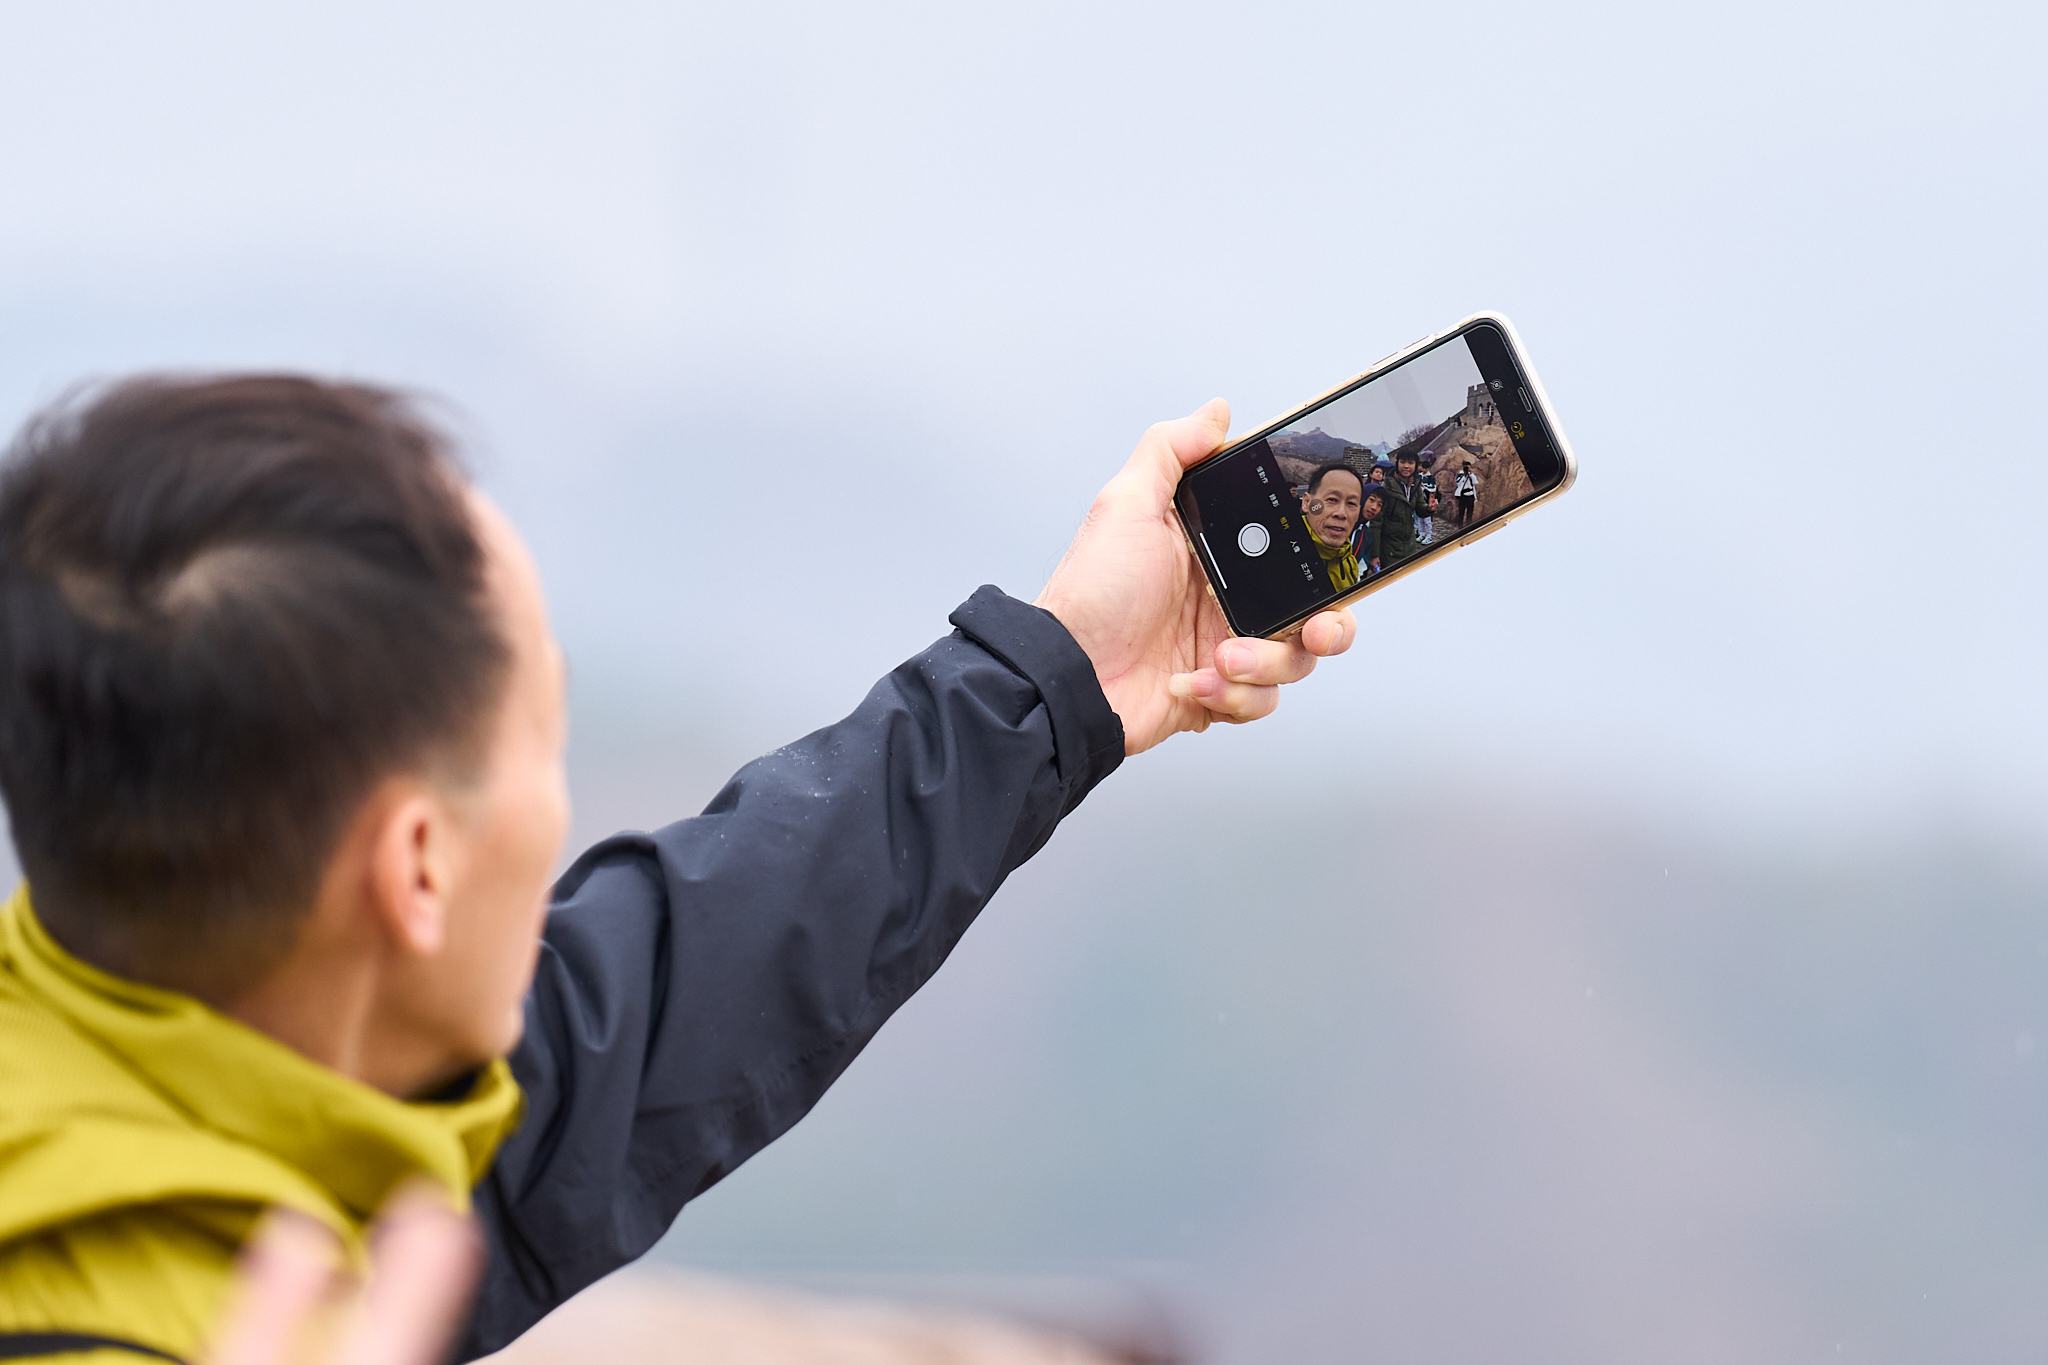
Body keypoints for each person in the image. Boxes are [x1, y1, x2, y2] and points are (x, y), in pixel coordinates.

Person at [0, 378, 1354, 1363]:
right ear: (416, 868)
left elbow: (668, 995)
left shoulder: (229, 1094)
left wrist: (1060, 678)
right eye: (543, 740)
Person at [1296, 459, 1366, 593]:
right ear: (1306, 503)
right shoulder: (1281, 552)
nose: (1341, 513)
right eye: (1332, 500)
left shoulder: (1349, 563)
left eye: (1351, 503)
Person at [1373, 450, 1423, 570]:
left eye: (1410, 463)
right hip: (1389, 546)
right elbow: (1376, 521)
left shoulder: (1415, 485)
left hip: (1409, 544)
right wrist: (1374, 554)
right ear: (1397, 463)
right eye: (1402, 462)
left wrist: (1429, 509)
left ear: (1416, 465)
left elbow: (1421, 509)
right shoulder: (1387, 486)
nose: (1406, 466)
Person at [1414, 453, 1441, 546]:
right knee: (1420, 518)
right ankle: (1422, 534)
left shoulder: (1430, 477)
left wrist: (1424, 486)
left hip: (1427, 499)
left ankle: (1428, 536)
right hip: (1420, 498)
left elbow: (1433, 488)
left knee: (1427, 519)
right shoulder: (1419, 476)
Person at [1453, 459, 1480, 527]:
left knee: (1470, 512)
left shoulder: (1471, 475)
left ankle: (1469, 526)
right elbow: (1458, 483)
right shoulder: (1460, 475)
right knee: (1461, 512)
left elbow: (1475, 482)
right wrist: (1464, 475)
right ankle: (1460, 526)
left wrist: (1471, 474)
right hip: (1463, 496)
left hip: (1470, 495)